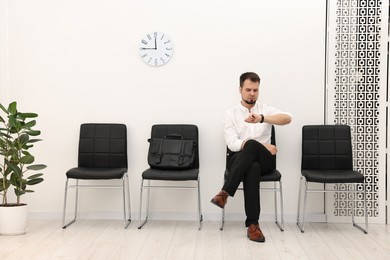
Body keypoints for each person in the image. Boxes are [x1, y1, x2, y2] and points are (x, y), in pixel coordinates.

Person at [211, 72, 292, 242]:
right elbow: (232, 143)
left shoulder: (266, 109)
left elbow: (288, 118)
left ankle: (225, 192)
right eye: (248, 89)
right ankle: (253, 225)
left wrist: (262, 118)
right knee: (252, 163)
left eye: (255, 90)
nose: (252, 93)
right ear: (240, 89)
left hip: (266, 161)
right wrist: (262, 145)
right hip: (238, 158)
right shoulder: (230, 114)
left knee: (254, 153)